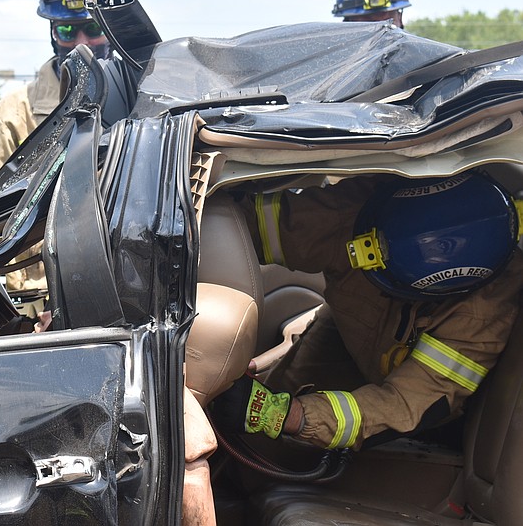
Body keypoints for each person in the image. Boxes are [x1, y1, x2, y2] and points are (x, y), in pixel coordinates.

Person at [212, 171, 523, 452]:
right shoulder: (359, 208)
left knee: (276, 431)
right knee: (254, 431)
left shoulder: (482, 314)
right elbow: (244, 226)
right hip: (346, 325)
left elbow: (407, 403)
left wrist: (282, 414)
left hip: (407, 395)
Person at [0, 0, 121, 294]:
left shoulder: (147, 106)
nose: (81, 42)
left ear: (111, 25)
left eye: (93, 28)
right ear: (52, 32)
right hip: (35, 298)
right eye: (67, 30)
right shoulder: (12, 115)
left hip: (125, 291)